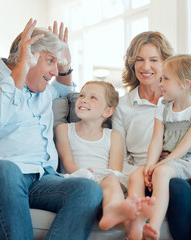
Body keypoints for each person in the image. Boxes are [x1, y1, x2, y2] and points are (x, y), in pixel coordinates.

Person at [0, 19, 102, 240]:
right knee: (7, 170)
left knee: (88, 190)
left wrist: (65, 67)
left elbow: (62, 89)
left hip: (40, 178)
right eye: (50, 61)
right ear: (27, 56)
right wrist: (21, 69)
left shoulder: (42, 90)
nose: (54, 71)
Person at [112, 31, 191, 240]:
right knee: (177, 188)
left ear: (167, 62)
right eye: (139, 59)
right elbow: (120, 158)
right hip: (157, 172)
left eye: (154, 60)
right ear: (132, 64)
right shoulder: (123, 107)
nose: (146, 66)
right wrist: (148, 170)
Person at [129, 54, 191, 240]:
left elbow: (186, 145)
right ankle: (137, 225)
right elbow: (156, 141)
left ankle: (153, 228)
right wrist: (149, 166)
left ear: (184, 84)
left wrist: (160, 166)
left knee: (160, 173)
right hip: (169, 162)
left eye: (165, 79)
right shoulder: (163, 108)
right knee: (137, 174)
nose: (160, 84)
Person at [55, 80, 155, 234]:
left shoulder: (113, 136)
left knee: (111, 179)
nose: (84, 99)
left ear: (108, 111)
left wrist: (102, 179)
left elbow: (115, 170)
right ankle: (125, 220)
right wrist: (87, 175)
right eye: (82, 95)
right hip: (79, 178)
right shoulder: (64, 130)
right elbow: (68, 164)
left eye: (93, 98)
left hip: (107, 183)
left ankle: (124, 219)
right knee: (105, 183)